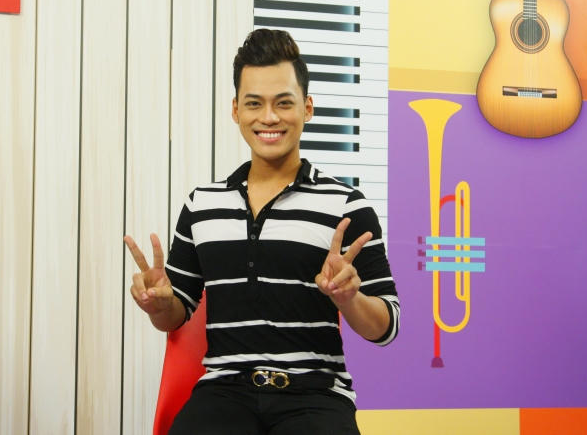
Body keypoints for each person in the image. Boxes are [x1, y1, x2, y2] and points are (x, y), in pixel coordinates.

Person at [124, 28, 399, 435]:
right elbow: (174, 315)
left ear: (307, 108)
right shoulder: (202, 205)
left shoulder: (347, 207)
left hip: (316, 397)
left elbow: (387, 327)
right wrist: (158, 304)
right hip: (224, 394)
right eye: (254, 103)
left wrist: (350, 298)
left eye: (283, 103)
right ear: (236, 110)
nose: (269, 117)